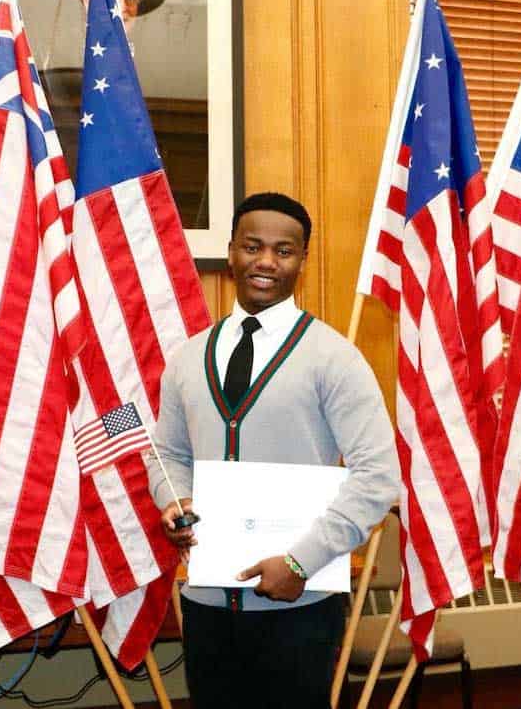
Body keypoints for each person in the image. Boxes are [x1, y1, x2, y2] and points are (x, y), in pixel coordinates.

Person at [148, 192, 399, 708]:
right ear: (231, 251)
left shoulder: (335, 359)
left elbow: (378, 476)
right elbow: (167, 453)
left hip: (300, 608)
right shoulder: (188, 359)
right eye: (252, 246)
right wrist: (174, 502)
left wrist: (301, 564)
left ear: (302, 260)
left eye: (283, 251)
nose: (266, 261)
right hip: (206, 605)